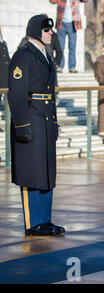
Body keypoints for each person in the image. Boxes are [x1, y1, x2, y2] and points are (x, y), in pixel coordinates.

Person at [7, 14, 65, 236]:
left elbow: (49, 94)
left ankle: (45, 219)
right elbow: (17, 94)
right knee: (32, 172)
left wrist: (54, 123)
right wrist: (22, 125)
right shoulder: (23, 56)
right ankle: (34, 223)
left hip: (46, 120)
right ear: (35, 32)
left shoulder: (46, 55)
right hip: (31, 118)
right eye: (47, 30)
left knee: (47, 172)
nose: (51, 33)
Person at [49, 0, 88, 73]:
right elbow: (52, 1)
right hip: (61, 24)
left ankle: (72, 67)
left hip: (73, 24)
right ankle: (60, 66)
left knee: (72, 47)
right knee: (60, 46)